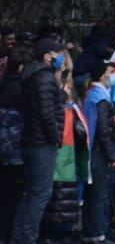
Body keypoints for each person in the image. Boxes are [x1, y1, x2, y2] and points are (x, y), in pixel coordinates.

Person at [11, 38, 65, 244]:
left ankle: (20, 236)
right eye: (57, 53)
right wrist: (55, 137)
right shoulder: (45, 78)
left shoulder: (30, 76)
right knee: (40, 194)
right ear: (47, 55)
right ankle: (27, 237)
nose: (61, 57)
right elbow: (47, 113)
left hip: (31, 140)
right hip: (42, 142)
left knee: (32, 193)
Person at [83, 58, 115, 243]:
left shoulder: (92, 94)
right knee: (100, 194)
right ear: (102, 74)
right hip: (99, 152)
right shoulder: (101, 97)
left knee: (94, 194)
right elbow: (102, 131)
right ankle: (98, 233)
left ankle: (92, 231)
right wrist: (113, 156)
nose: (114, 75)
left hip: (92, 150)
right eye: (110, 71)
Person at [0, 43, 28, 243]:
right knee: (13, 197)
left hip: (5, 149)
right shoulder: (20, 89)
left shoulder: (5, 84)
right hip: (15, 150)